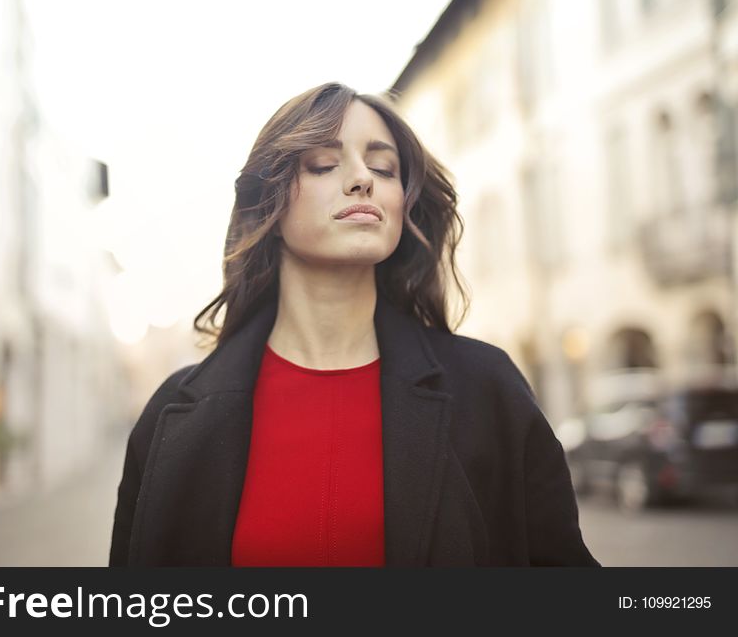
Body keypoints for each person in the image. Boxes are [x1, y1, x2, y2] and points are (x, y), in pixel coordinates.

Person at [109, 82, 600, 567]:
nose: (362, 177)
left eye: (384, 167)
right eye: (324, 164)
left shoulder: (488, 390)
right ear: (269, 206)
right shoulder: (173, 417)